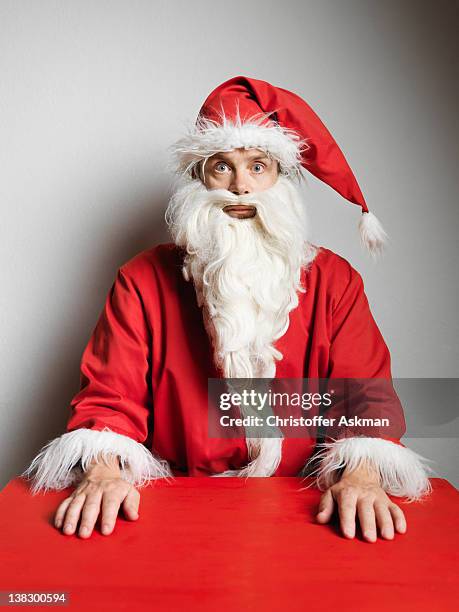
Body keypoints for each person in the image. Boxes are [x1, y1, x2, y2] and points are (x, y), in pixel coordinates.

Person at [21, 75, 433, 542]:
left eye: (258, 166)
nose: (240, 187)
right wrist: (103, 469)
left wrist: (361, 475)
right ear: (199, 175)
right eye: (222, 166)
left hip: (303, 508)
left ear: (281, 177)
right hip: (174, 508)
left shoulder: (334, 282)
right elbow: (109, 400)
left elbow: (366, 399)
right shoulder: (142, 280)